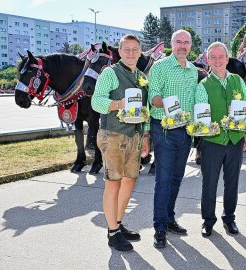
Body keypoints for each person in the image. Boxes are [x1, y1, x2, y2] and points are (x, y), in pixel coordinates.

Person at [91, 34, 150, 251]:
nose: (131, 53)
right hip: (113, 134)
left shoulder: (142, 76)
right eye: (127, 49)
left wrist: (145, 136)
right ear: (119, 51)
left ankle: (116, 223)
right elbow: (96, 102)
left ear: (140, 51)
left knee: (130, 181)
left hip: (134, 135)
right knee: (113, 183)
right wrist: (119, 104)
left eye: (135, 50)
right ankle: (113, 233)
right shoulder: (110, 73)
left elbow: (146, 111)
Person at [148, 29, 198, 249]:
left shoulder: (193, 70)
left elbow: (196, 99)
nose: (182, 46)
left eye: (186, 43)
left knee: (177, 178)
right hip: (164, 129)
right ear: (171, 44)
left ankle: (169, 219)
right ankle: (159, 227)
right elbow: (153, 97)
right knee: (164, 179)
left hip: (185, 131)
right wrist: (169, 105)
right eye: (178, 42)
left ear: (191, 46)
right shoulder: (160, 67)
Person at [195, 42, 246, 237]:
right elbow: (201, 113)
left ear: (228, 59)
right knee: (209, 182)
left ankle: (229, 219)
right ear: (208, 60)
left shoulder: (237, 80)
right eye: (213, 58)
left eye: (221, 57)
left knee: (232, 182)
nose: (217, 61)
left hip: (234, 140)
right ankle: (208, 220)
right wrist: (207, 126)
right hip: (213, 141)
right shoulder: (203, 85)